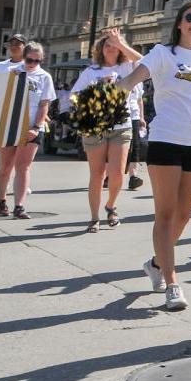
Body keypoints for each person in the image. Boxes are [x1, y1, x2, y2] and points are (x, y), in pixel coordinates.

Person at [115, 1, 191, 310]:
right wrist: (110, 94)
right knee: (165, 213)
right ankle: (172, 282)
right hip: (166, 140)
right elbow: (130, 81)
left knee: (185, 212)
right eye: (190, 17)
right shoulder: (163, 55)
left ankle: (155, 263)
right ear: (179, 23)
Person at [66, 28, 143, 232]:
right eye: (107, 45)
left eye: (114, 46)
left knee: (118, 173)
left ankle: (111, 205)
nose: (110, 49)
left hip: (121, 126)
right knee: (97, 173)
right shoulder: (91, 72)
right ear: (100, 49)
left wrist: (120, 42)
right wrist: (94, 98)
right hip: (95, 127)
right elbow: (73, 97)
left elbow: (146, 61)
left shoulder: (126, 68)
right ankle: (94, 217)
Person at [0, 41, 55, 220]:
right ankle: (1, 199)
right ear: (24, 57)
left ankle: (19, 205)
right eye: (29, 60)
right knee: (5, 166)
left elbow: (44, 104)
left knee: (23, 166)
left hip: (32, 126)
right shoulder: (12, 72)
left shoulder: (44, 77)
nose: (32, 64)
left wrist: (36, 127)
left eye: (37, 61)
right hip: (9, 124)